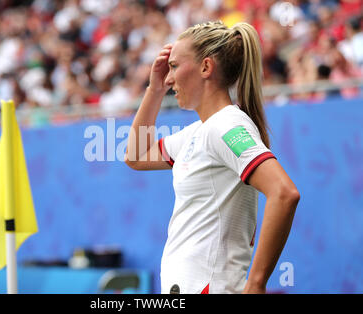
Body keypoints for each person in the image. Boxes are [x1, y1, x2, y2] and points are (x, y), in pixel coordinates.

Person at [124, 20, 300, 294]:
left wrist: (256, 284)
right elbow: (134, 156)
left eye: (174, 67)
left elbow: (284, 192)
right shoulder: (201, 131)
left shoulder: (225, 126)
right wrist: (154, 90)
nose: (168, 78)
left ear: (206, 67)